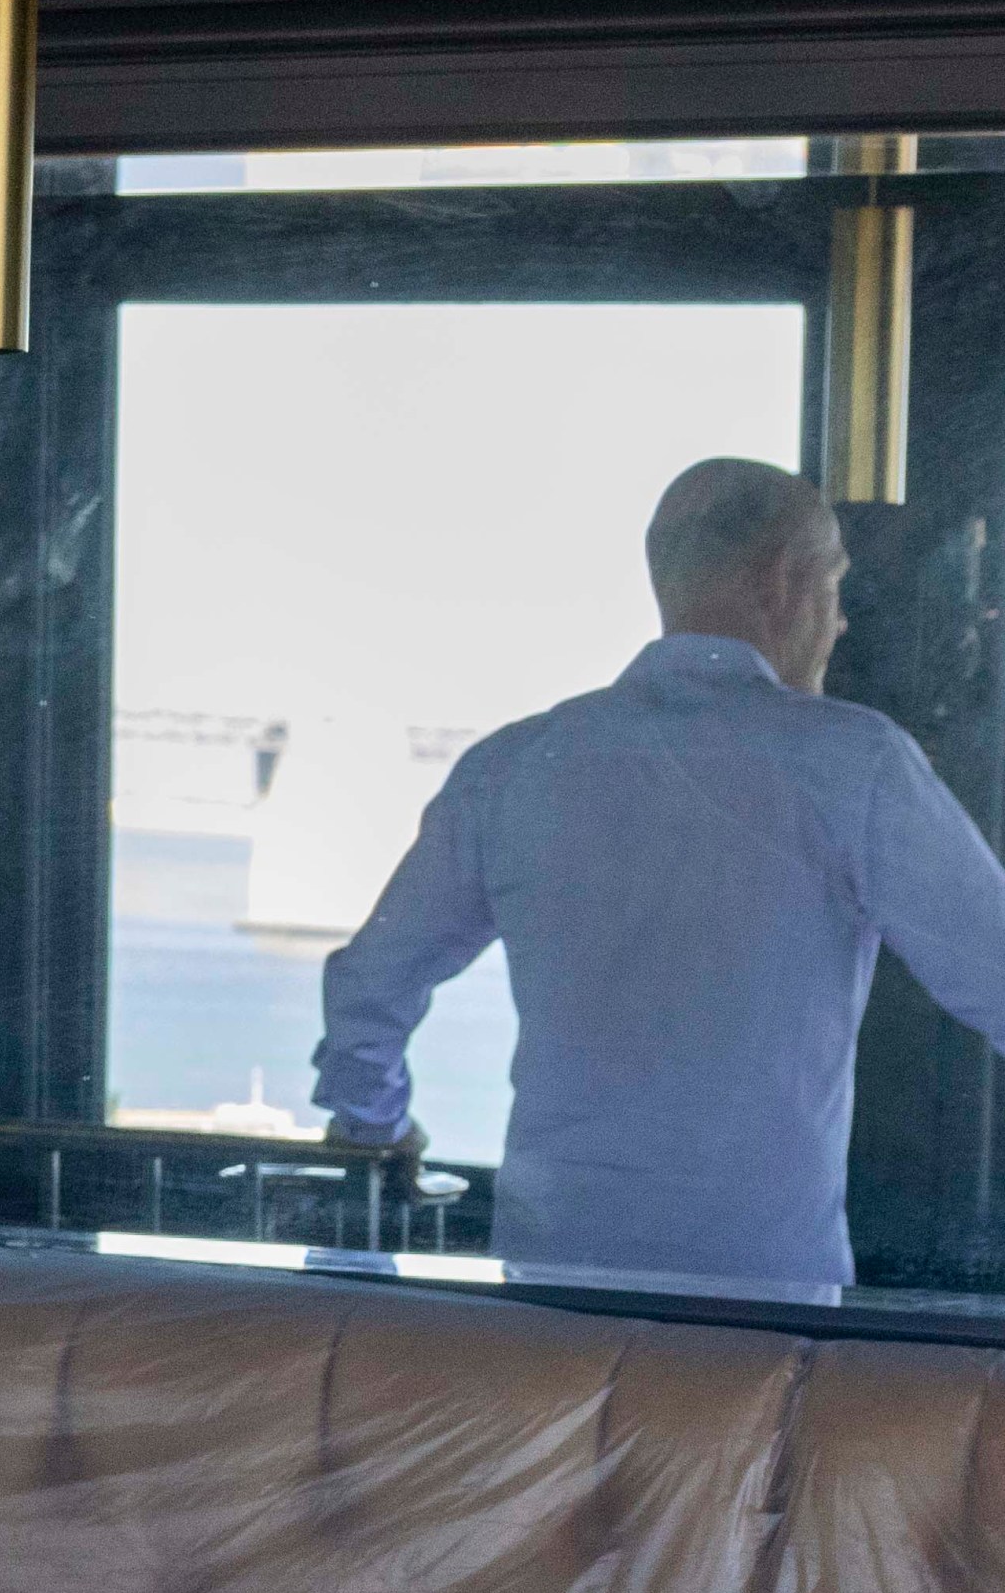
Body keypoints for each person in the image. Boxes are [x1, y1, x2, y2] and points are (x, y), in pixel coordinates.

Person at [312, 453, 1005, 1291]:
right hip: (765, 1311)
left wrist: (373, 1122)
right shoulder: (855, 765)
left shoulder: (517, 765)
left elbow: (368, 986)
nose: (842, 622)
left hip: (551, 1296)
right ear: (785, 580)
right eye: (834, 586)